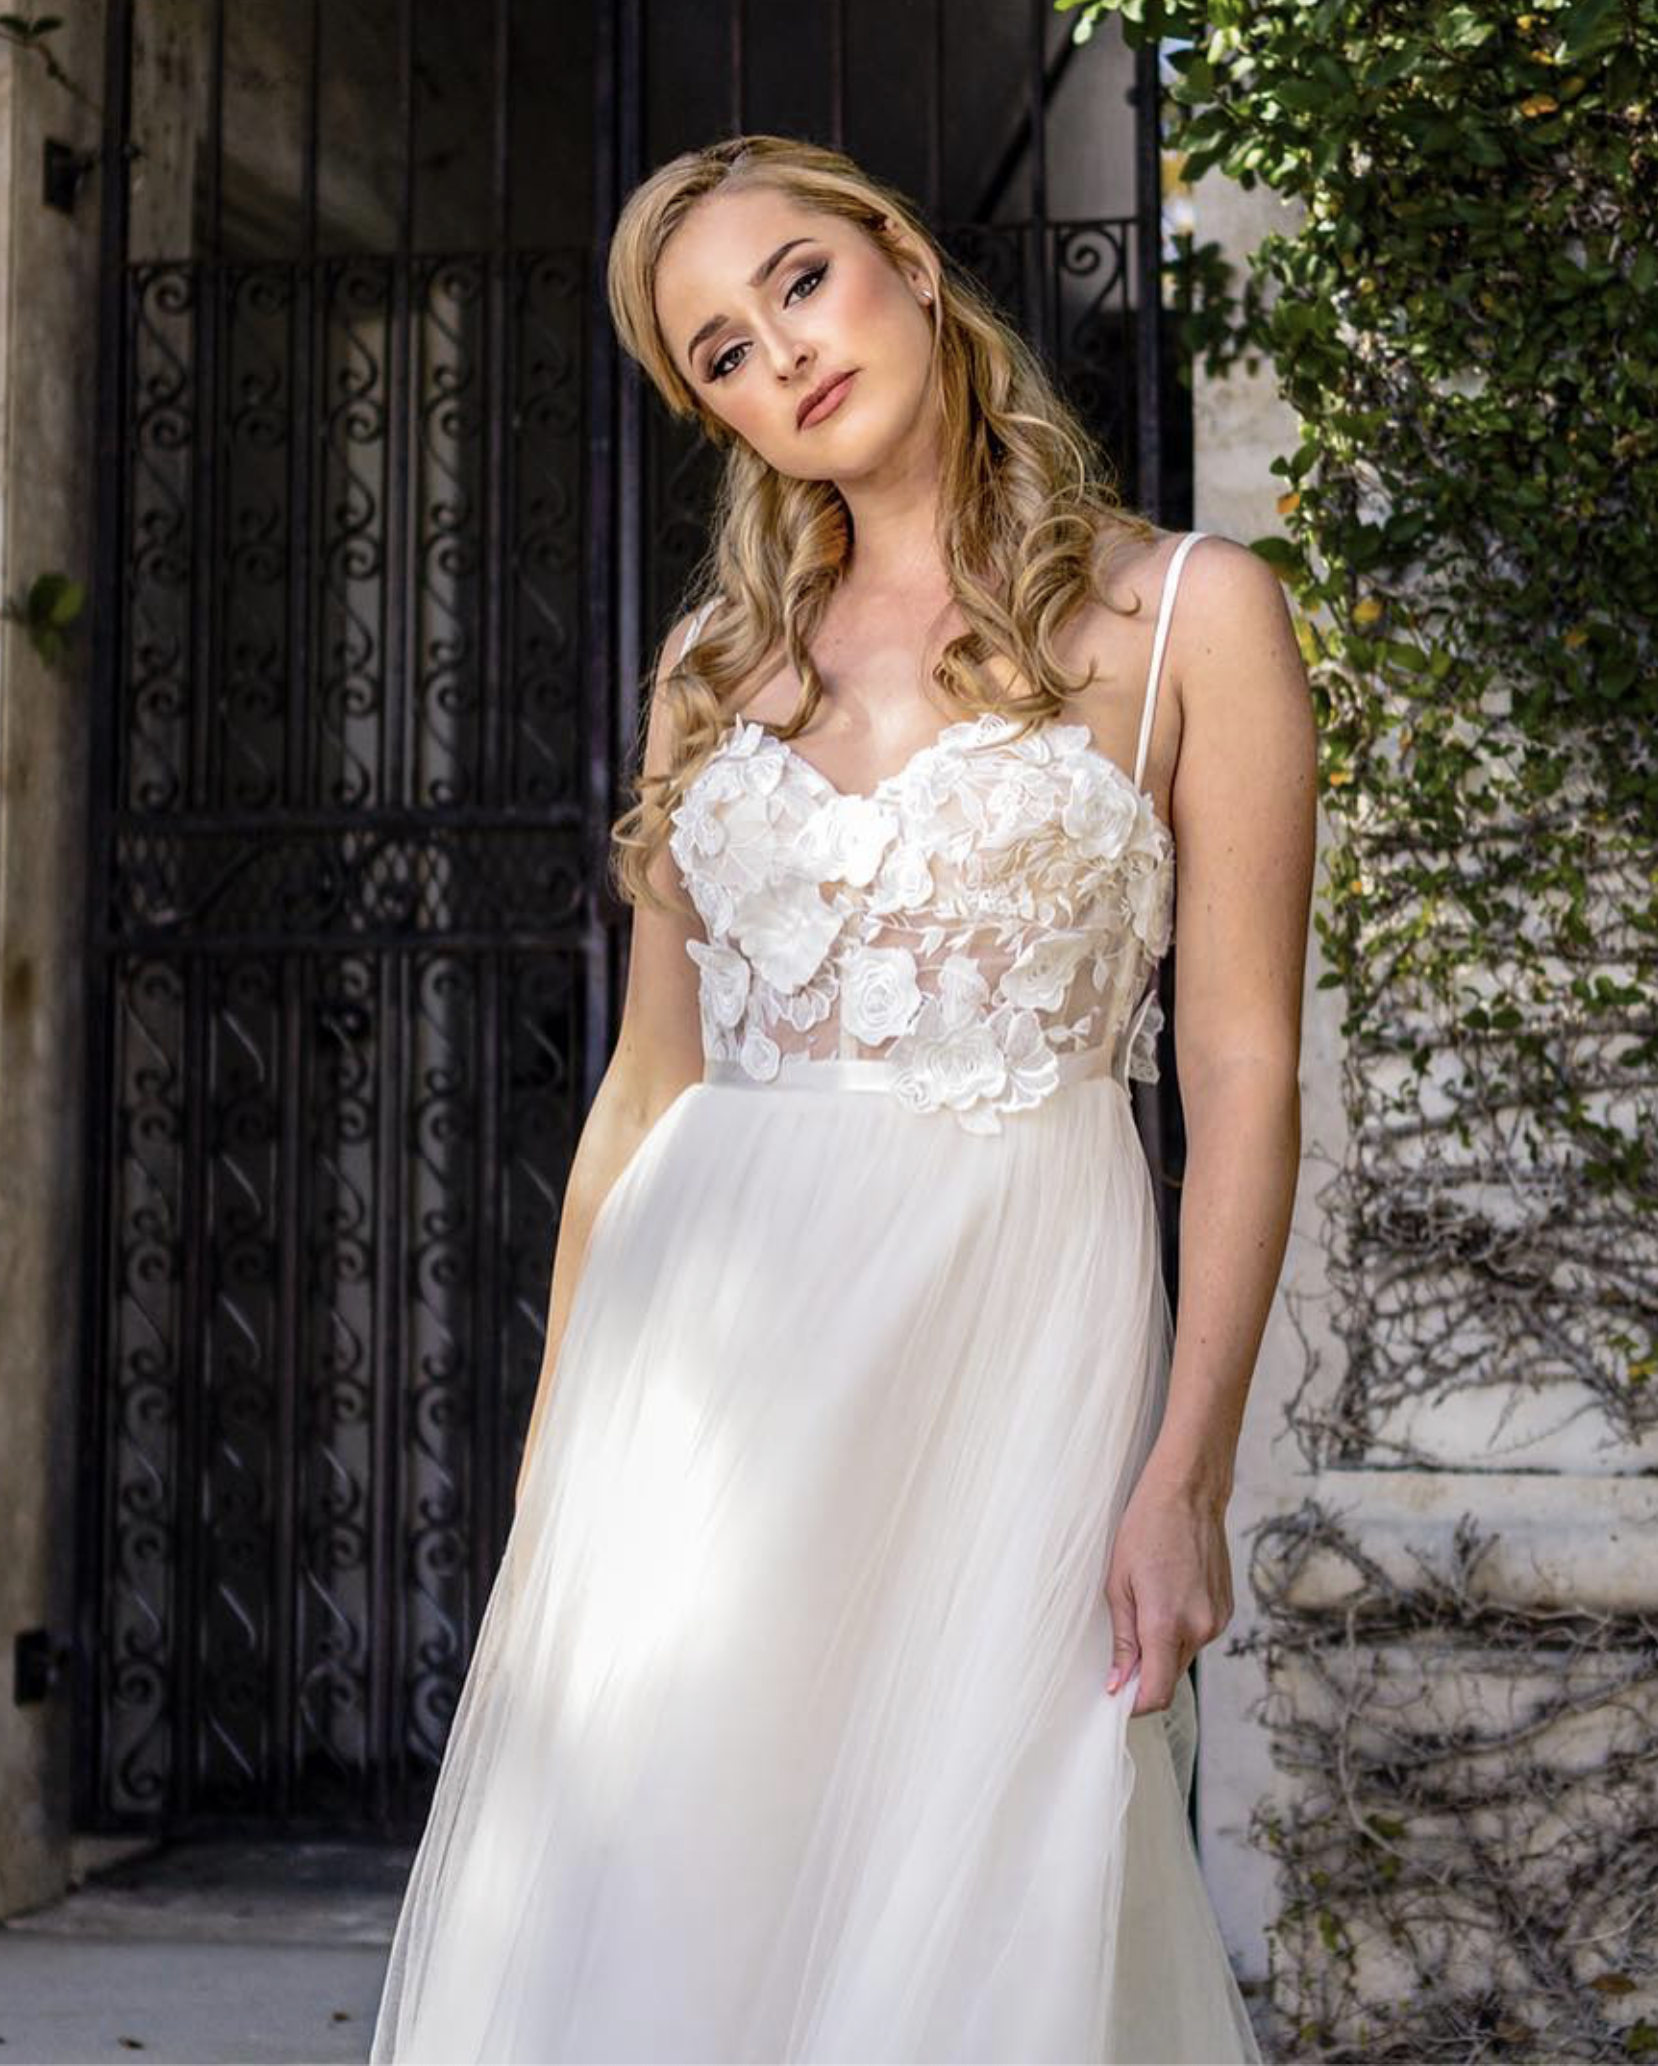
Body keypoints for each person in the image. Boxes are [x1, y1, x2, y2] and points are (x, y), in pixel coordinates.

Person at [370, 132, 1314, 2065]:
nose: (781, 353)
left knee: (983, 1910)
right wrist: (560, 1462)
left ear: (897, 255)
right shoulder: (715, 670)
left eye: (797, 281)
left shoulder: (1193, 619)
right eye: (718, 350)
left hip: (1004, 1351)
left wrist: (1189, 1463)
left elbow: (1239, 1064)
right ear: (714, 414)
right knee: (681, 1906)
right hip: (701, 1383)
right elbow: (648, 1089)